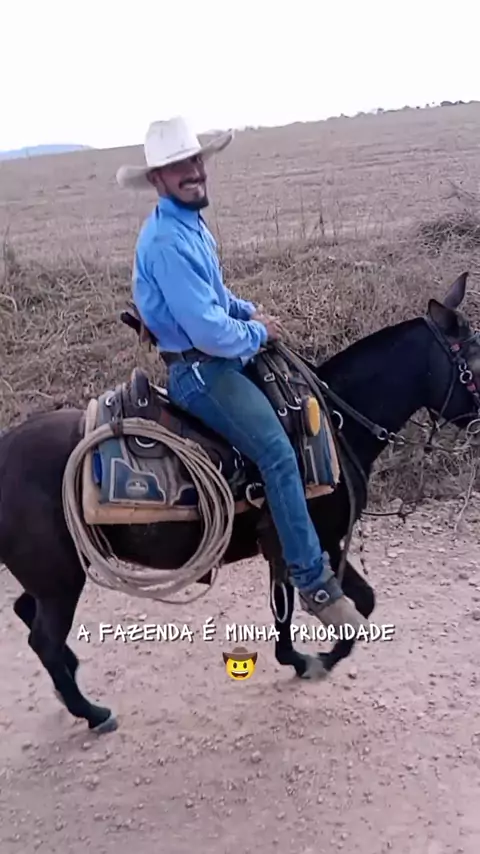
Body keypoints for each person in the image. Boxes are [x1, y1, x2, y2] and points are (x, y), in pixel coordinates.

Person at [116, 116, 366, 632]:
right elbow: (208, 330)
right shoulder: (166, 242)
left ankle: (277, 528)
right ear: (157, 180)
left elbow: (215, 297)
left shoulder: (189, 224)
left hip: (219, 356)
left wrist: (249, 312)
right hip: (201, 370)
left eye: (195, 159)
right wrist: (255, 333)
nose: (193, 171)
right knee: (276, 452)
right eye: (178, 166)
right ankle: (313, 581)